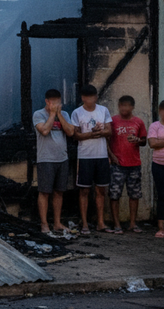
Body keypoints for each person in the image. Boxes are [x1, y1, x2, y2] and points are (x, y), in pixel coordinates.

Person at [71, 84, 112, 235]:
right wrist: (90, 134)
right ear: (83, 98)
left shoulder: (103, 110)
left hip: (101, 155)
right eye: (87, 97)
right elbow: (75, 135)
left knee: (101, 190)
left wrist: (100, 132)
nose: (90, 100)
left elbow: (110, 131)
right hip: (85, 156)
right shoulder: (77, 113)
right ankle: (85, 224)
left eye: (93, 97)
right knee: (84, 191)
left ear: (96, 97)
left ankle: (101, 222)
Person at [33, 88, 75, 234]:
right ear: (47, 102)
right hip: (46, 158)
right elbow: (44, 131)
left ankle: (57, 223)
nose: (57, 106)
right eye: (54, 103)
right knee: (44, 192)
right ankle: (44, 224)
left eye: (59, 103)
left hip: (62, 158)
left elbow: (70, 132)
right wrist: (52, 114)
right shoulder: (38, 114)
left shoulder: (64, 114)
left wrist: (59, 115)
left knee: (59, 192)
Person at [106, 95, 147, 234]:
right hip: (117, 164)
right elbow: (106, 140)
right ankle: (117, 224)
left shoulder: (138, 122)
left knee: (134, 195)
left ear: (132, 107)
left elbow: (144, 141)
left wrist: (137, 140)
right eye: (121, 105)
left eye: (127, 105)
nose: (124, 108)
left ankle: (133, 224)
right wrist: (111, 156)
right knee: (114, 194)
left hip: (134, 164)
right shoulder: (112, 121)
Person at [147, 99, 164, 238]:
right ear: (160, 111)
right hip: (159, 165)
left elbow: (157, 142)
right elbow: (152, 144)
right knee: (162, 195)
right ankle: (161, 227)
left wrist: (162, 142)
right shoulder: (155, 126)